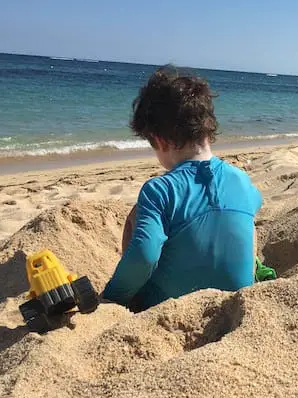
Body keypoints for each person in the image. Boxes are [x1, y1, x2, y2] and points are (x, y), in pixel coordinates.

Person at [102, 67, 263, 311]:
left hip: (170, 305)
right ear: (208, 130)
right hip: (236, 302)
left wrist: (112, 297)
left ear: (160, 141)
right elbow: (253, 203)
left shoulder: (159, 189)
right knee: (245, 220)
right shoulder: (241, 179)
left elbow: (145, 254)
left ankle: (129, 299)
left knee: (138, 216)